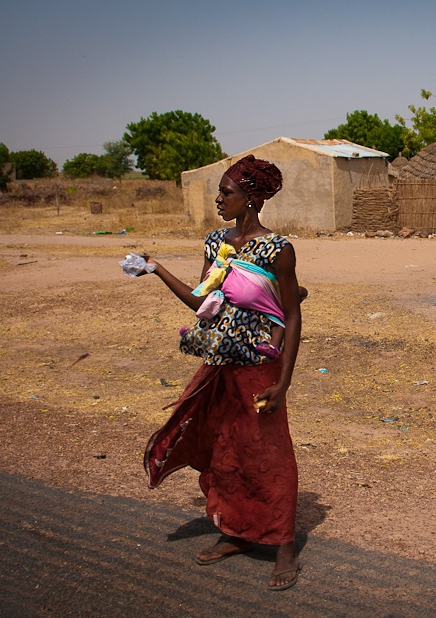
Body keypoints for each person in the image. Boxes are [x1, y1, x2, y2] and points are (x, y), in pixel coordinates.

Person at [140, 154, 303, 591]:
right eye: (220, 191)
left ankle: (283, 544)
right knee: (226, 448)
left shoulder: (277, 250)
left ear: (251, 199)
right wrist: (155, 269)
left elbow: (292, 313)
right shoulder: (216, 244)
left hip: (259, 367)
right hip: (220, 364)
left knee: (268, 453)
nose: (218, 199)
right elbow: (202, 303)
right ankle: (238, 532)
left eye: (226, 192)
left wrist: (283, 381)